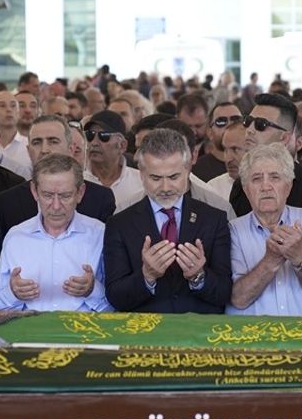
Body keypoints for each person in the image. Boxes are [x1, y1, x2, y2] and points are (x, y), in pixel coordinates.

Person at [103, 128, 231, 314]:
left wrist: (199, 276)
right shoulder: (119, 224)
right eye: (155, 178)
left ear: (187, 170)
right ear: (141, 174)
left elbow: (225, 293)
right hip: (142, 334)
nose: (165, 187)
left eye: (173, 177)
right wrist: (147, 276)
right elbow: (115, 297)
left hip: (201, 334)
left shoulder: (214, 219)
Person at [0, 154, 110, 312]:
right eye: (47, 195)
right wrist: (13, 293)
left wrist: (93, 290)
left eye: (65, 196)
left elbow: (116, 307)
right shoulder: (16, 236)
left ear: (80, 193)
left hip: (84, 332)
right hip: (29, 332)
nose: (56, 206)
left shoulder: (99, 234)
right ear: (34, 191)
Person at [228, 143, 302, 316]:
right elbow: (238, 298)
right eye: (256, 179)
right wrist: (270, 260)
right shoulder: (232, 230)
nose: (265, 186)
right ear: (246, 190)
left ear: (288, 186)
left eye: (274, 177)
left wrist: (300, 257)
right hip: (253, 337)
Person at [0, 116, 115, 233]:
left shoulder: (100, 199)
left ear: (71, 149)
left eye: (53, 141)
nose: (44, 149)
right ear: (28, 150)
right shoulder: (6, 203)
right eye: (37, 142)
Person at [228, 94, 302, 215]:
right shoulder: (240, 184)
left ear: (284, 138)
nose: (250, 130)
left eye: (260, 124)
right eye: (247, 121)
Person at [84, 109, 143, 205]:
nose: (94, 143)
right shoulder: (78, 180)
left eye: (104, 136)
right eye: (90, 135)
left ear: (122, 145)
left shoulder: (141, 182)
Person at [191, 101, 241, 181]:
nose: (229, 125)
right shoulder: (196, 170)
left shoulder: (255, 164)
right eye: (221, 121)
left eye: (236, 120)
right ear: (209, 132)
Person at [206, 121, 246, 200]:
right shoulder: (213, 189)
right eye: (225, 150)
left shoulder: (268, 186)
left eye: (235, 149)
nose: (228, 159)